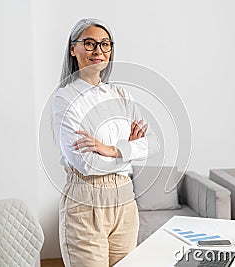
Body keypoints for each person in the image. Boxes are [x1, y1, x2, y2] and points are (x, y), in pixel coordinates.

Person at [52, 18, 159, 267]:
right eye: (89, 44)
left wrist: (110, 149)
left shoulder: (121, 94)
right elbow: (86, 163)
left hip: (125, 198)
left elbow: (153, 144)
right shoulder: (65, 98)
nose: (98, 51)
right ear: (73, 49)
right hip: (86, 200)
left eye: (105, 44)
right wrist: (130, 151)